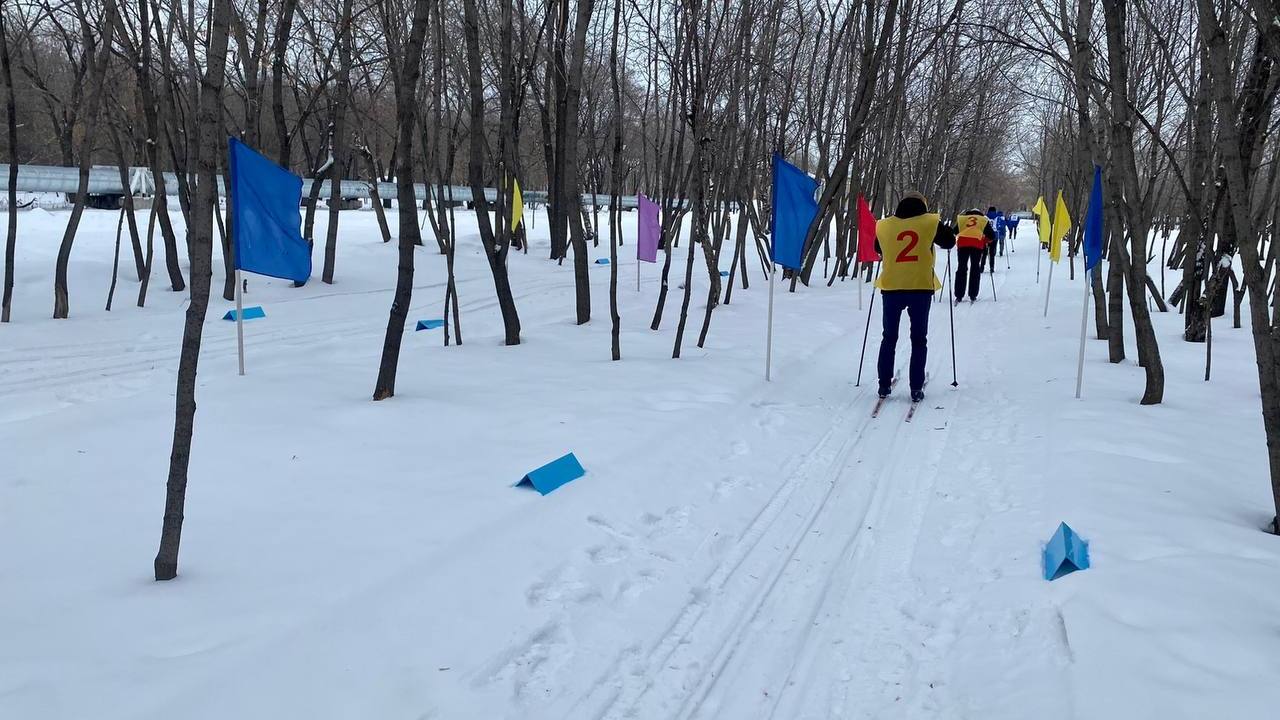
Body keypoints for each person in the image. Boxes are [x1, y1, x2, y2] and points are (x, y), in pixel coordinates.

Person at [874, 191, 956, 402]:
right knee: (919, 339)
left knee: (889, 337)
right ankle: (916, 388)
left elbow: (877, 248)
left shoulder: (884, 225)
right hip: (920, 287)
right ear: (923, 204)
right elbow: (949, 242)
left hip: (891, 287)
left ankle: (883, 385)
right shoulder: (929, 222)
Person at [954, 208, 996, 303]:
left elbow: (955, 231)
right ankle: (973, 294)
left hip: (962, 245)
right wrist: (985, 240)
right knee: (975, 268)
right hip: (977, 245)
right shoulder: (983, 220)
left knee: (961, 268)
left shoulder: (963, 219)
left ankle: (959, 294)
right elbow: (992, 235)